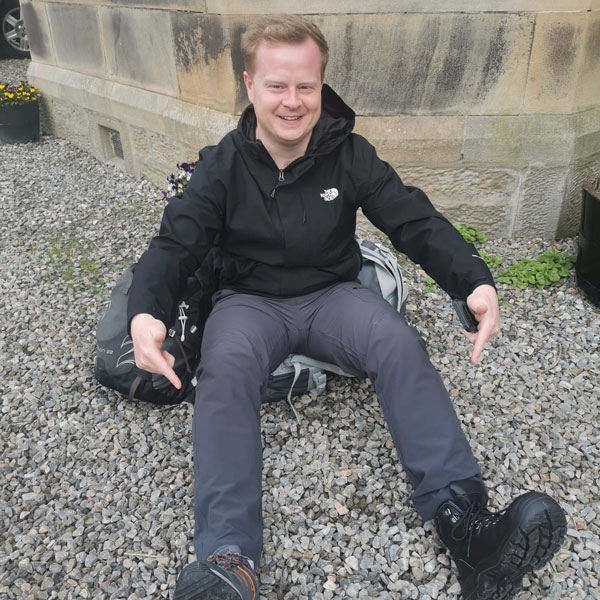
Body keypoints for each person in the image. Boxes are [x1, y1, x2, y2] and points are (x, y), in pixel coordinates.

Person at [127, 14, 566, 600]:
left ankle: (467, 528)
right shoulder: (221, 164)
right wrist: (146, 311)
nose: (291, 101)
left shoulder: (350, 154)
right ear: (249, 84)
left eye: (304, 86)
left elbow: (412, 217)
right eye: (276, 86)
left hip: (332, 296)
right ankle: (229, 559)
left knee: (397, 342)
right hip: (248, 302)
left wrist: (473, 282)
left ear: (322, 85)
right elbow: (175, 242)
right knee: (224, 370)